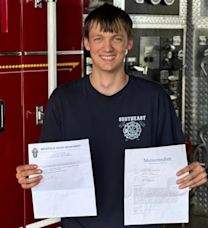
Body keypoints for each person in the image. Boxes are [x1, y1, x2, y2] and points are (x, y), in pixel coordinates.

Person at [15, 3, 207, 228]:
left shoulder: (154, 98)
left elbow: (175, 168)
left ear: (129, 43)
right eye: (98, 38)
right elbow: (49, 168)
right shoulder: (63, 100)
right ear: (86, 43)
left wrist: (192, 174)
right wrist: (31, 176)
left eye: (116, 38)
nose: (108, 47)